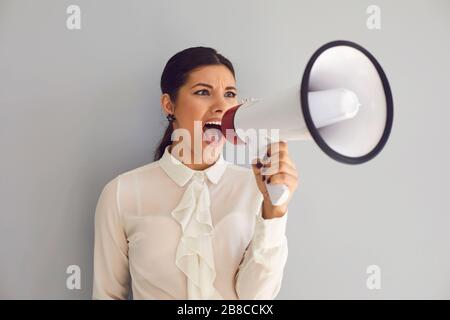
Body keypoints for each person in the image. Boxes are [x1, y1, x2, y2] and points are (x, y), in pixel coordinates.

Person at [92, 47, 299, 299]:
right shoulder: (121, 193)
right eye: (203, 92)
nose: (222, 106)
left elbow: (255, 297)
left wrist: (274, 212)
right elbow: (107, 295)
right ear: (169, 105)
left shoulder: (256, 189)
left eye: (230, 94)